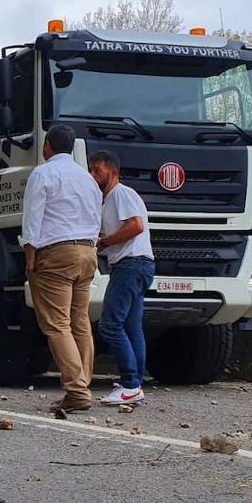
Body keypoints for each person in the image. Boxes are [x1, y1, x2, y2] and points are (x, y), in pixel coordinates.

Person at [22, 125, 102, 412]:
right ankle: (82, 384)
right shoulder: (88, 178)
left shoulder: (42, 173)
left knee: (57, 324)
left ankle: (77, 390)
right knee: (80, 320)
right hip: (87, 251)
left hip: (56, 253)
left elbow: (33, 219)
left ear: (47, 146)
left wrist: (30, 256)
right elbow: (96, 216)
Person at [88, 149, 155, 405]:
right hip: (139, 265)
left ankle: (130, 384)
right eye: (91, 170)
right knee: (131, 326)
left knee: (110, 324)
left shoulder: (120, 194)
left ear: (113, 173)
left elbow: (136, 225)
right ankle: (135, 383)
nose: (93, 176)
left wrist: (105, 243)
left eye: (98, 171)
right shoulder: (109, 200)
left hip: (130, 264)